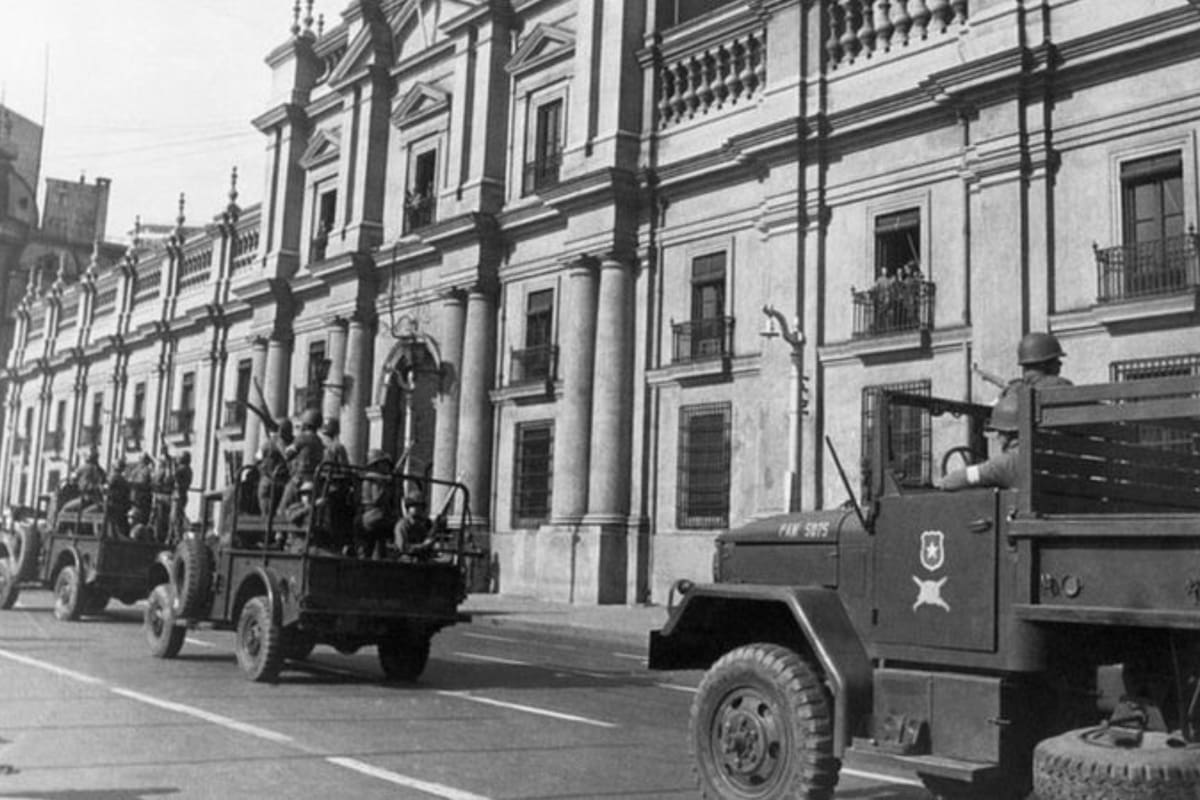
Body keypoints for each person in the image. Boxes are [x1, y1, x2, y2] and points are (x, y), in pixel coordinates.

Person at [940, 392, 1021, 491]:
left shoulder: (1004, 464)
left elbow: (949, 482)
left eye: (999, 432)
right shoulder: (1033, 455)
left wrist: (944, 481)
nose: (997, 438)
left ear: (1006, 434)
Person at [281, 409, 325, 512]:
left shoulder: (302, 438)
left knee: (283, 506)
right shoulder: (318, 440)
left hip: (300, 478)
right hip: (313, 478)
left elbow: (287, 455)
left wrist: (281, 444)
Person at [356, 449, 395, 558]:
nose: (387, 467)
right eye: (384, 464)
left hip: (370, 515)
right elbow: (377, 499)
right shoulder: (375, 479)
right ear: (377, 465)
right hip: (374, 515)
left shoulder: (371, 477)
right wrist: (386, 486)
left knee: (373, 548)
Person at [256, 417, 293, 519]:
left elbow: (258, 459)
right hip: (284, 482)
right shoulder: (293, 443)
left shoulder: (269, 443)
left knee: (267, 514)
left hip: (269, 481)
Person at [393, 490, 434, 556]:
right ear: (408, 507)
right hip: (405, 559)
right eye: (415, 505)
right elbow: (403, 548)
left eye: (421, 506)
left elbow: (427, 541)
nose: (418, 509)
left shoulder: (421, 526)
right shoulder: (402, 525)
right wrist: (423, 546)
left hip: (421, 559)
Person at [151, 447, 175, 543]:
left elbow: (168, 479)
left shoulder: (166, 471)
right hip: (158, 496)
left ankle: (160, 538)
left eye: (161, 462)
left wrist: (168, 462)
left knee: (161, 519)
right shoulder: (159, 471)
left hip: (164, 497)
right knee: (157, 519)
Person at [171, 451, 193, 539]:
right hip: (180, 495)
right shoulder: (187, 469)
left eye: (179, 457)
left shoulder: (184, 468)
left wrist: (172, 464)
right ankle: (175, 536)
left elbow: (174, 474)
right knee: (176, 517)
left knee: (175, 518)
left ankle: (177, 537)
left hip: (179, 495)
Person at [106, 460, 132, 537]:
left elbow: (108, 488)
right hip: (120, 504)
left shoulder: (115, 477)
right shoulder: (122, 479)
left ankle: (114, 536)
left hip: (114, 503)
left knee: (114, 522)